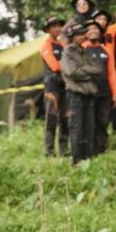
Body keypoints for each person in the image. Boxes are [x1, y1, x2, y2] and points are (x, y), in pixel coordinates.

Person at [60, 21, 102, 164]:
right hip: (75, 95)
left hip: (89, 94)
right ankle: (77, 159)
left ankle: (88, 157)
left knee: (89, 126)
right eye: (78, 34)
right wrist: (88, 73)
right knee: (76, 127)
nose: (81, 36)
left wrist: (84, 70)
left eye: (82, 34)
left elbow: (98, 69)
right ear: (72, 36)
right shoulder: (67, 52)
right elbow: (72, 72)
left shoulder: (85, 51)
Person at [85, 20, 116, 155]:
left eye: (96, 29)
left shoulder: (105, 50)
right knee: (89, 121)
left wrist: (115, 93)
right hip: (88, 92)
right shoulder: (82, 48)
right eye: (89, 29)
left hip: (104, 92)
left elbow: (111, 72)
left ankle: (101, 149)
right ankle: (89, 149)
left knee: (103, 120)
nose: (93, 31)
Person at [39, 16, 69, 156]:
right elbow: (54, 66)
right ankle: (49, 151)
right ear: (48, 29)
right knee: (52, 118)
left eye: (59, 26)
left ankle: (64, 150)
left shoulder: (62, 45)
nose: (57, 28)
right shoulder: (46, 45)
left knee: (65, 119)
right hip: (52, 87)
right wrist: (68, 67)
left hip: (65, 86)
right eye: (54, 26)